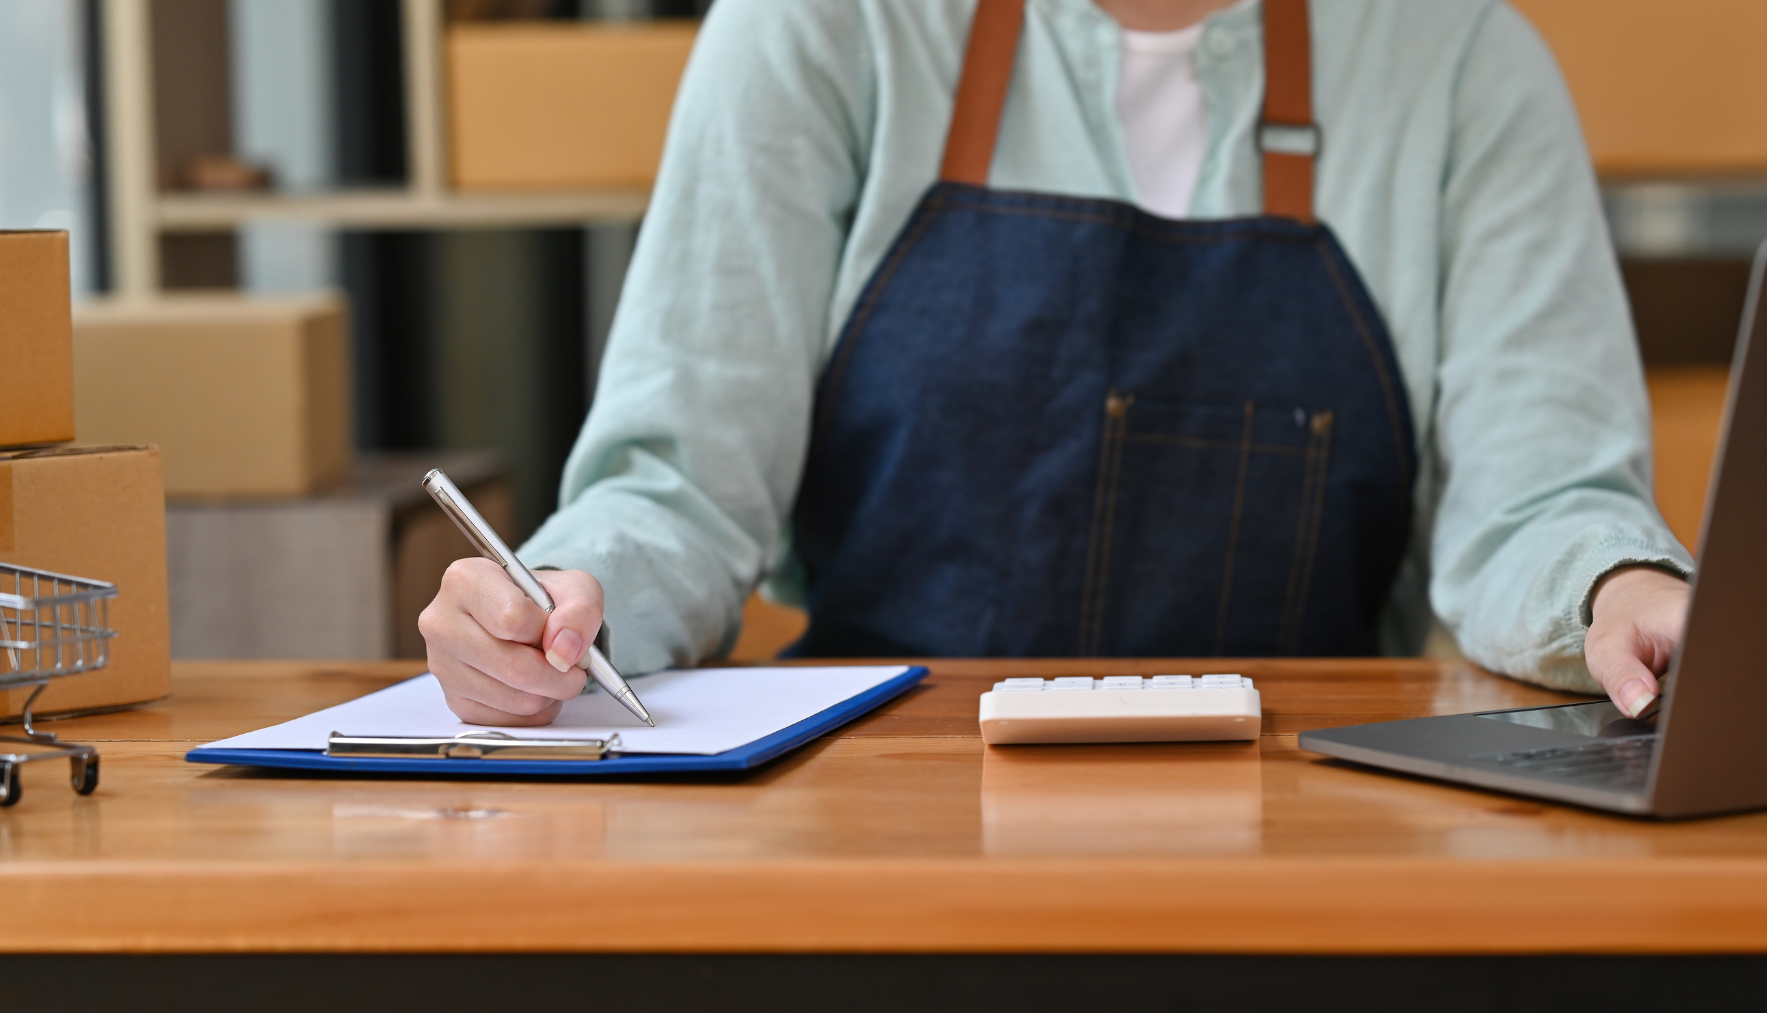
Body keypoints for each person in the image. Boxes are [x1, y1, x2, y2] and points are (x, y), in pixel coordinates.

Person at [419, 0, 1695, 729]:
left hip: (1308, 821)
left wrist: (1620, 589)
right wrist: (563, 605)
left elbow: (1543, 494)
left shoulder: (1462, 61)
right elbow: (682, 486)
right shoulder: (822, 28)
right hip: (871, 817)